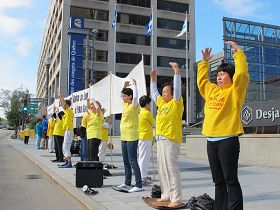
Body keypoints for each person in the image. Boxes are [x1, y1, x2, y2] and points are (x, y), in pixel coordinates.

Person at [197, 41, 249, 210]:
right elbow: (202, 82)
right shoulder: (212, 90)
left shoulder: (235, 91)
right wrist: (204, 63)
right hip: (211, 140)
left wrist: (238, 53)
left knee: (230, 180)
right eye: (218, 74)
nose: (219, 76)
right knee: (218, 181)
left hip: (228, 140)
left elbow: (241, 74)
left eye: (223, 74)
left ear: (230, 77)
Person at [150, 62, 184, 207]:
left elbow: (177, 90)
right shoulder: (161, 104)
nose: (163, 94)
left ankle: (176, 198)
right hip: (160, 140)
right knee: (162, 169)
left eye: (166, 92)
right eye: (163, 92)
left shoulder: (176, 103)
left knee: (171, 169)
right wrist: (153, 79)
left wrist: (176, 71)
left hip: (171, 139)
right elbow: (153, 93)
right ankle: (166, 195)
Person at [117, 78, 143, 193]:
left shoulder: (134, 105)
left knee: (133, 161)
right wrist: (124, 85)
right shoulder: (124, 104)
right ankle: (127, 182)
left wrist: (135, 85)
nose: (123, 97)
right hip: (124, 136)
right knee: (126, 161)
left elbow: (136, 96)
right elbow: (120, 95)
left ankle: (138, 185)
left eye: (125, 96)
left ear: (130, 97)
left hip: (132, 136)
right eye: (123, 96)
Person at [138, 95, 154, 185]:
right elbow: (154, 122)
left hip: (141, 136)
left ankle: (143, 175)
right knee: (145, 158)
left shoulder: (140, 112)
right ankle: (143, 177)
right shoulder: (147, 113)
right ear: (147, 104)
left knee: (142, 157)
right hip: (146, 137)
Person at [58, 92, 74, 168]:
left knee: (65, 147)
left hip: (69, 130)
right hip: (67, 131)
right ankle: (67, 161)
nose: (62, 106)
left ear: (67, 105)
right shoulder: (66, 113)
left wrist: (60, 96)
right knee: (65, 147)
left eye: (64, 105)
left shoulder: (69, 111)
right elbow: (63, 104)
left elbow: (64, 104)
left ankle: (69, 163)